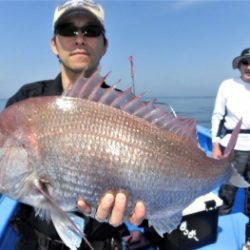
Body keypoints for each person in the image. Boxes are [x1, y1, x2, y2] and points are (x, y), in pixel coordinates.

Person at [6, 0, 146, 249]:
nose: (79, 39)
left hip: (103, 242)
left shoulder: (127, 110)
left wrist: (142, 216)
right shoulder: (26, 100)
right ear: (54, 44)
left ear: (104, 46)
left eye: (90, 30)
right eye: (68, 30)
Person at [211, 48, 250, 217]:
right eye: (245, 62)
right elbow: (217, 115)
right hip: (233, 147)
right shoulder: (227, 85)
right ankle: (222, 218)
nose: (249, 67)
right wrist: (215, 144)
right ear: (240, 65)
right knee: (228, 189)